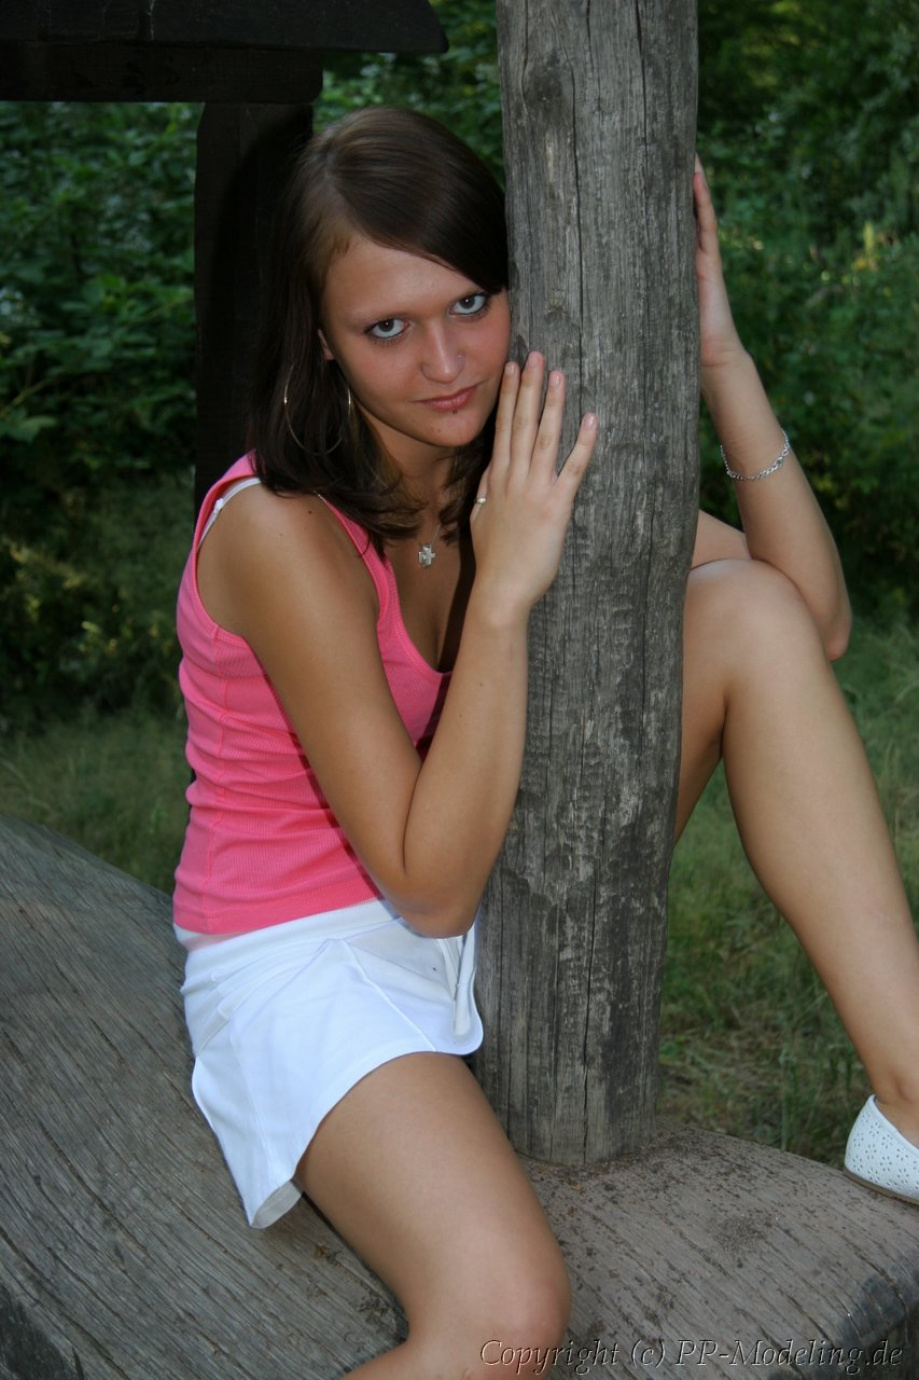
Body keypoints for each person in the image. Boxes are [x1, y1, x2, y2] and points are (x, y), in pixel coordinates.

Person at [173, 107, 919, 1377]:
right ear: (320, 337)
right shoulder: (275, 528)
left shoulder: (502, 459)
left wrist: (716, 352)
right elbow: (425, 886)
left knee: (743, 614)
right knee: (505, 1321)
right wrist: (506, 590)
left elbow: (813, 619)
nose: (444, 362)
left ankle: (909, 1096)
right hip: (309, 952)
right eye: (387, 327)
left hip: (466, 856)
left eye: (470, 303)